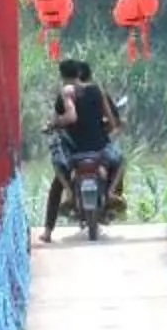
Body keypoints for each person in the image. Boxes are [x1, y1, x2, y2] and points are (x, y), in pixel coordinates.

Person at [41, 57, 124, 242]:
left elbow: (68, 118)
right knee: (119, 162)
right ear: (81, 74)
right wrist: (103, 131)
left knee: (57, 180)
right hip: (99, 149)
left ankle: (48, 230)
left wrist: (54, 124)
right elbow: (113, 122)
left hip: (75, 151)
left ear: (62, 76)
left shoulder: (65, 93)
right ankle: (111, 194)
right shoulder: (98, 91)